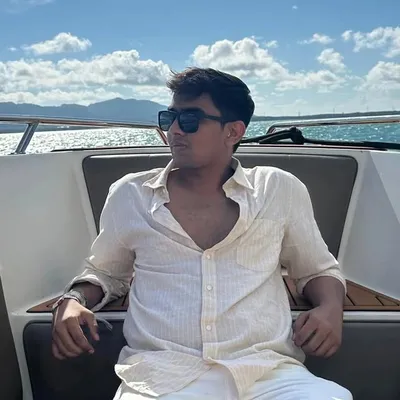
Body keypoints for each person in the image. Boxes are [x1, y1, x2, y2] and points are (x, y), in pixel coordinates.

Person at [51, 67, 352, 400]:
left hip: (267, 374)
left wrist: (330, 309)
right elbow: (105, 273)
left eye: (191, 119)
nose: (175, 130)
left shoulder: (278, 189)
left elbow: (317, 269)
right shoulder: (130, 195)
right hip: (161, 376)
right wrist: (73, 301)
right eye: (170, 118)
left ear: (233, 131)